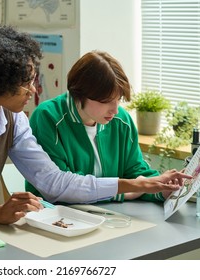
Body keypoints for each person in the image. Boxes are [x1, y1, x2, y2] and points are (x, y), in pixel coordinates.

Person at [0, 24, 191, 226]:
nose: (34, 90)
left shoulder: (14, 121)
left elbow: (54, 182)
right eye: (26, 80)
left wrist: (135, 183)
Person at [27, 50, 180, 203]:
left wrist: (163, 190)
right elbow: (62, 187)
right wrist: (122, 193)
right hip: (60, 218)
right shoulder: (48, 118)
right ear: (79, 94)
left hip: (111, 217)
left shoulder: (121, 120)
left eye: (118, 99)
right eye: (106, 101)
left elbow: (135, 172)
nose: (115, 109)